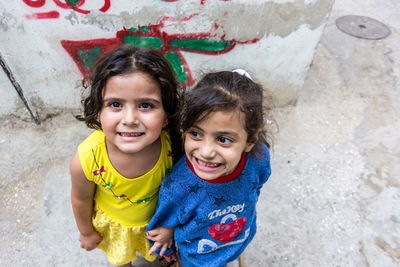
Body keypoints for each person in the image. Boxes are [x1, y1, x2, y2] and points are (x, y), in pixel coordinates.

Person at [69, 44, 183, 267]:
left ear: (167, 114)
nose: (130, 119)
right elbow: (81, 199)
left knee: (158, 252)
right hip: (115, 228)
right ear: (98, 110)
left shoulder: (176, 147)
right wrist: (86, 232)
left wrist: (170, 227)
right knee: (121, 261)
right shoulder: (87, 160)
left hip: (158, 225)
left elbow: (185, 192)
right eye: (115, 104)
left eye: (145, 105)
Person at [146, 69, 272, 267]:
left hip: (240, 238)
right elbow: (161, 226)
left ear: (250, 141)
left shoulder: (259, 157)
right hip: (198, 259)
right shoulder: (178, 186)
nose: (205, 152)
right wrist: (167, 245)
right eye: (195, 133)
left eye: (223, 139)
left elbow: (258, 183)